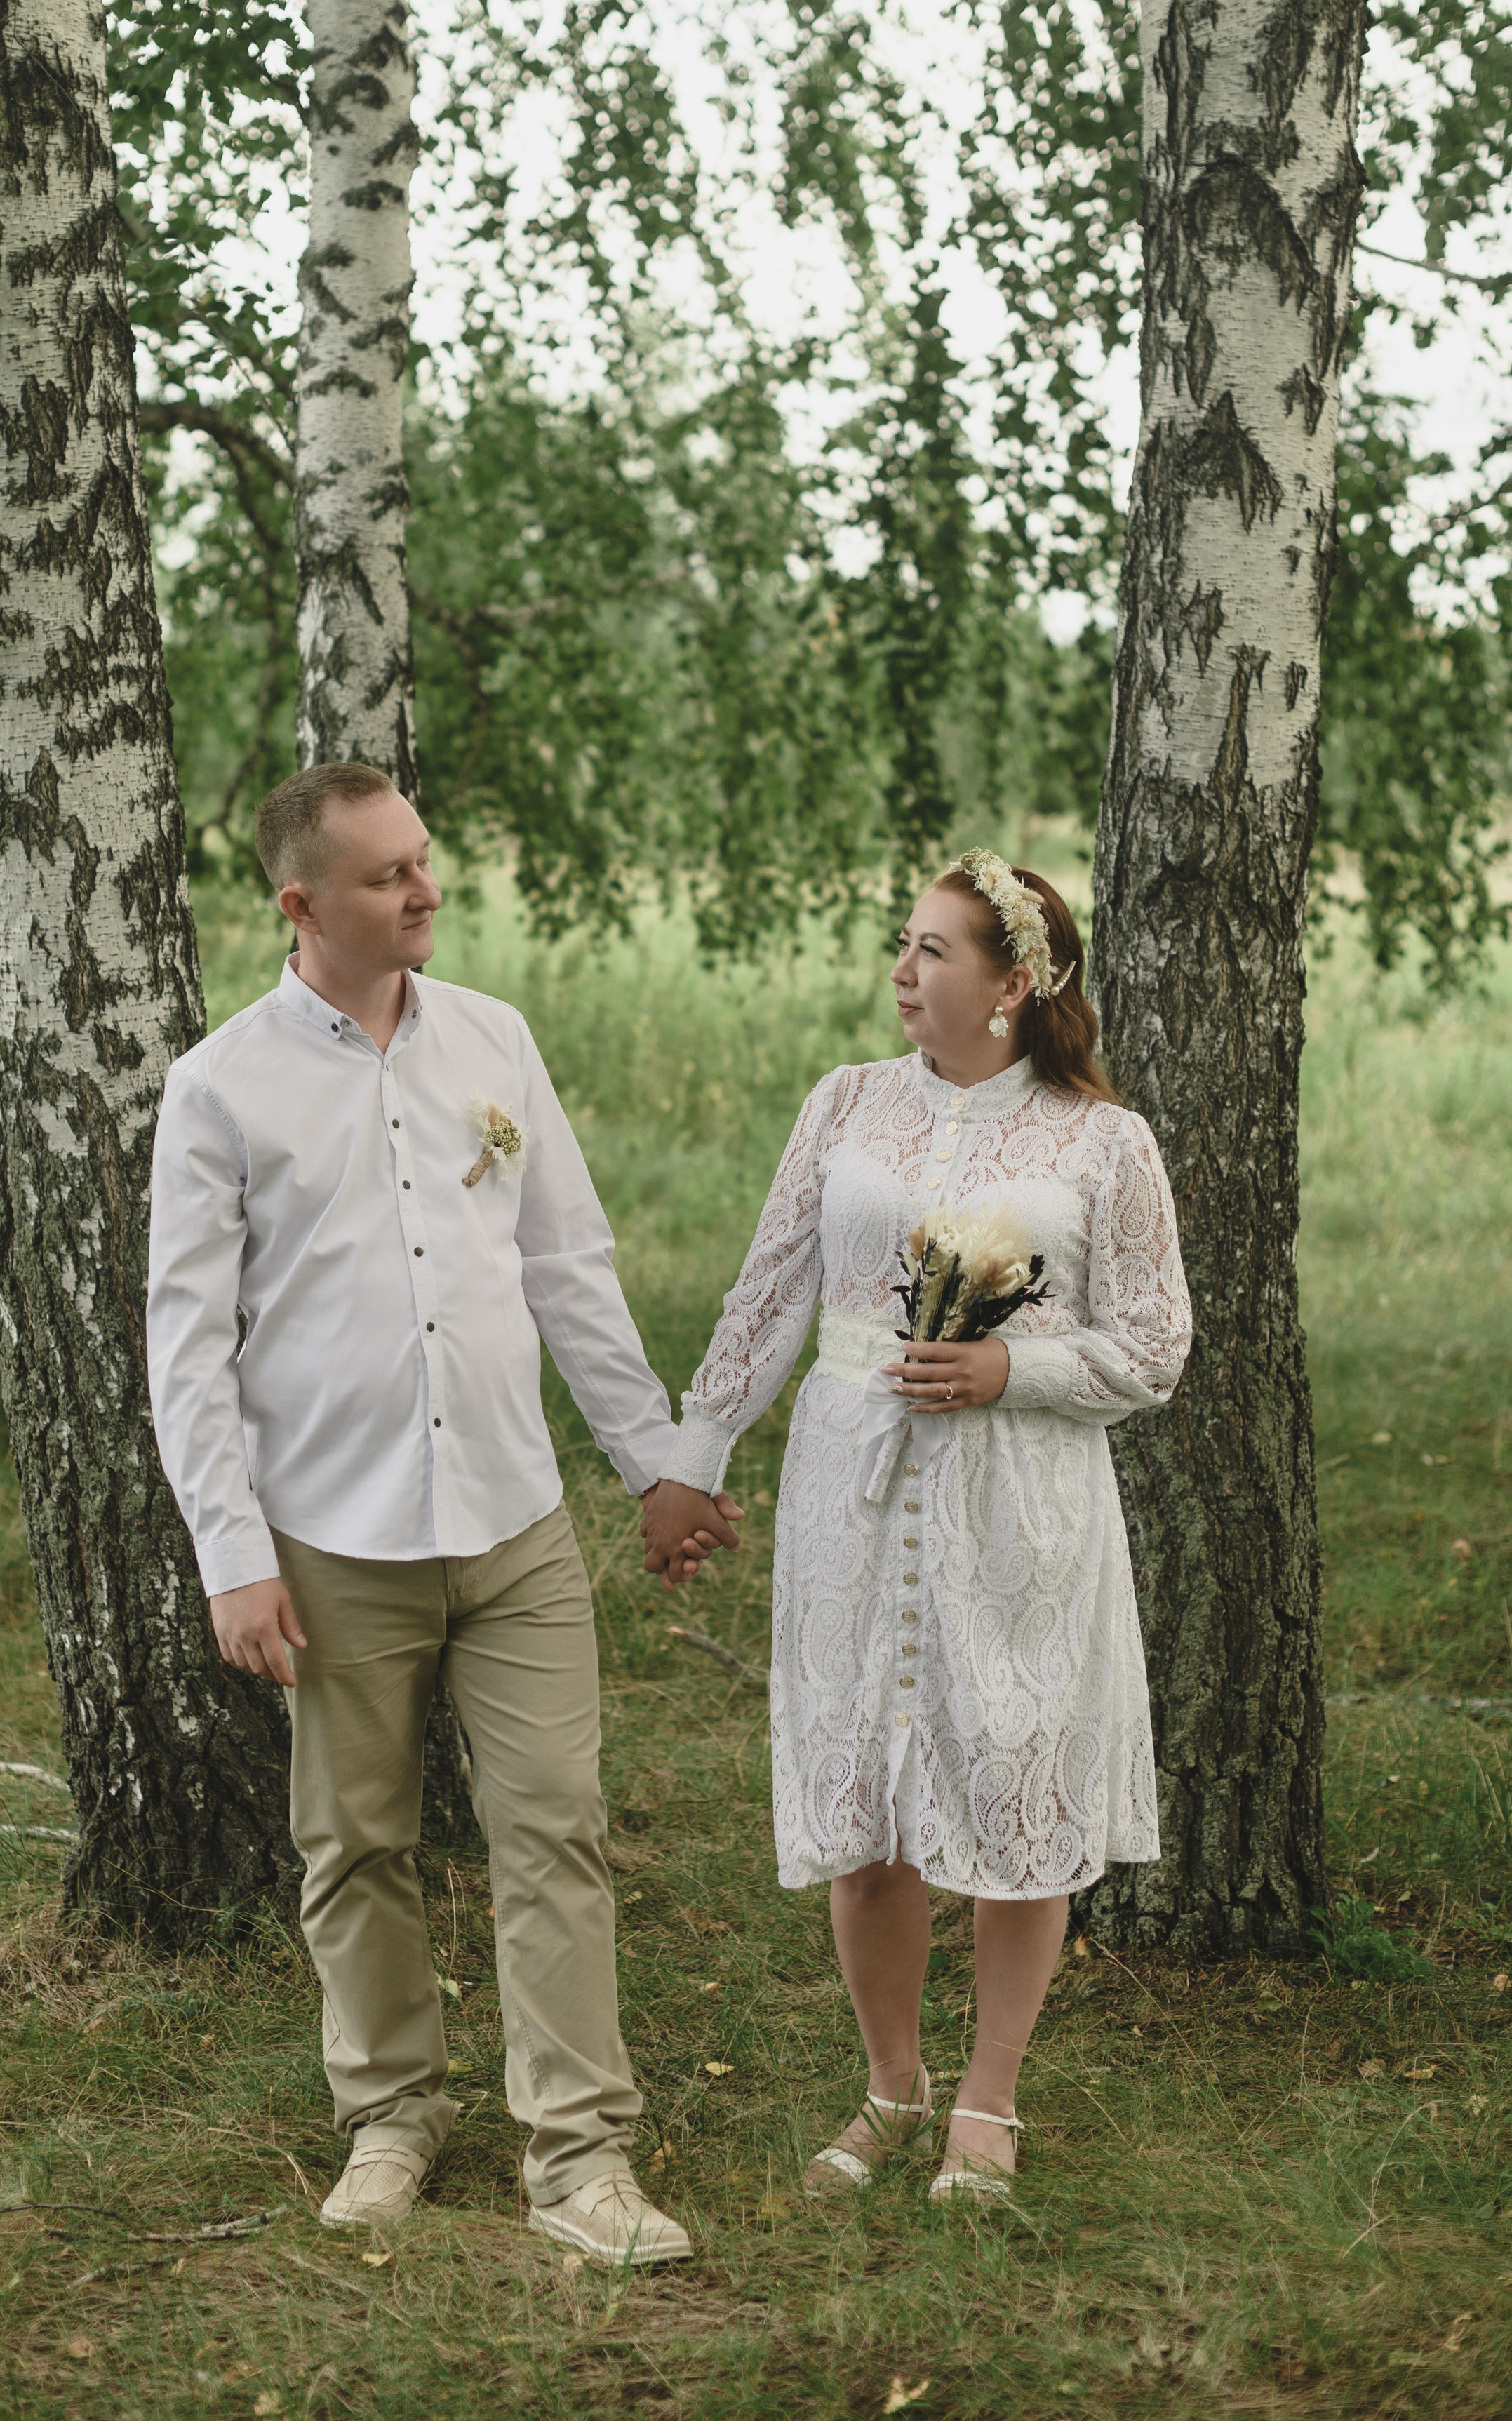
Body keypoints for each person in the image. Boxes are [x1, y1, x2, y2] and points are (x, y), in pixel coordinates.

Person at [146, 762, 737, 2260]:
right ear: (300, 904)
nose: (422, 889)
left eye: (422, 860)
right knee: (351, 1844)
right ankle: (391, 2113)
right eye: (385, 874)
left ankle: (579, 2159)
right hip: (330, 1539)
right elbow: (187, 1349)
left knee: (555, 1828)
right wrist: (232, 1559)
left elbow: (569, 1268)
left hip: (512, 1520)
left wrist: (653, 1459)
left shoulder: (495, 1040)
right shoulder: (220, 1086)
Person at [641, 853, 1191, 2203]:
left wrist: (1018, 1370)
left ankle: (989, 2103)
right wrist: (690, 1460)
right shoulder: (846, 1105)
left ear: (1014, 983)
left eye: (935, 950)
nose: (903, 968)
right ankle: (890, 2086)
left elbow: (1158, 1343)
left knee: (1013, 1777)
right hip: (853, 1481)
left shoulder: (1098, 1139)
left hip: (1021, 1504)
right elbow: (771, 1292)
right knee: (866, 1788)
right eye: (903, 943)